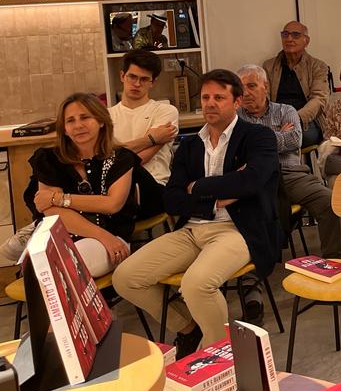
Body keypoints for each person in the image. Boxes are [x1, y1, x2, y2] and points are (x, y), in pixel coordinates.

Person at [113, 69, 280, 358]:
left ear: (237, 102)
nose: (210, 103)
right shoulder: (189, 144)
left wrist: (197, 186)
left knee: (196, 284)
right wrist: (213, 201)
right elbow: (172, 200)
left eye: (219, 97)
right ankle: (190, 328)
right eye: (205, 97)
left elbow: (251, 181)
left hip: (237, 229)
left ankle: (216, 356)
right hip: (192, 230)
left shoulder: (258, 136)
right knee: (126, 277)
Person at [236, 64, 340, 323]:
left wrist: (256, 142)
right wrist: (271, 138)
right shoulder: (235, 117)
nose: (246, 92)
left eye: (251, 85)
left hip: (291, 173)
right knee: (250, 215)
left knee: (329, 201)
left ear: (265, 87)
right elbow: (237, 150)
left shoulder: (286, 110)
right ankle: (252, 288)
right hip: (256, 178)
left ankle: (333, 266)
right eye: (241, 87)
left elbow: (294, 140)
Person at [22, 93, 142, 276]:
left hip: (111, 234)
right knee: (43, 266)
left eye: (85, 117)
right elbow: (52, 211)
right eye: (70, 121)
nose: (78, 125)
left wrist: (58, 198)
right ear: (64, 129)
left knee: (66, 267)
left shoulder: (121, 158)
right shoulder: (49, 158)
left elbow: (112, 204)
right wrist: (103, 235)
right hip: (64, 234)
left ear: (101, 121)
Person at [109, 49, 179, 218]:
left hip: (153, 187)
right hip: (112, 189)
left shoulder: (165, 111)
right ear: (122, 76)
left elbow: (140, 160)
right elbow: (105, 159)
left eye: (144, 79)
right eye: (132, 77)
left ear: (152, 82)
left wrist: (115, 153)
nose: (137, 84)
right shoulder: (106, 116)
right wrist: (151, 138)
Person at [263, 20, 330, 146]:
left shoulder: (318, 66)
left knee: (290, 138)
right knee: (260, 136)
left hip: (305, 121)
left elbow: (319, 99)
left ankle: (290, 165)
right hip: (275, 121)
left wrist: (294, 118)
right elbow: (264, 97)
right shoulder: (269, 66)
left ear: (307, 41)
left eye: (295, 35)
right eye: (285, 34)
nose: (289, 39)